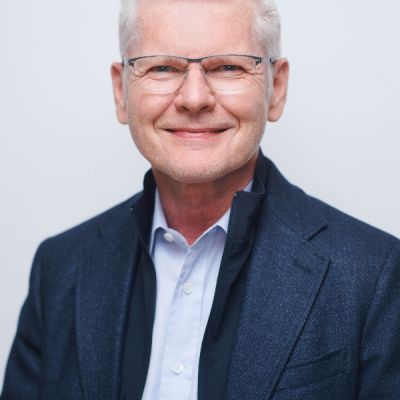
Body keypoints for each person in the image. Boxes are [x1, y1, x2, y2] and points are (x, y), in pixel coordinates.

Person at [2, 0, 400, 398]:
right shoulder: (59, 270)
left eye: (228, 67)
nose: (194, 98)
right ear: (121, 91)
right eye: (162, 67)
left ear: (275, 88)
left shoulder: (373, 275)